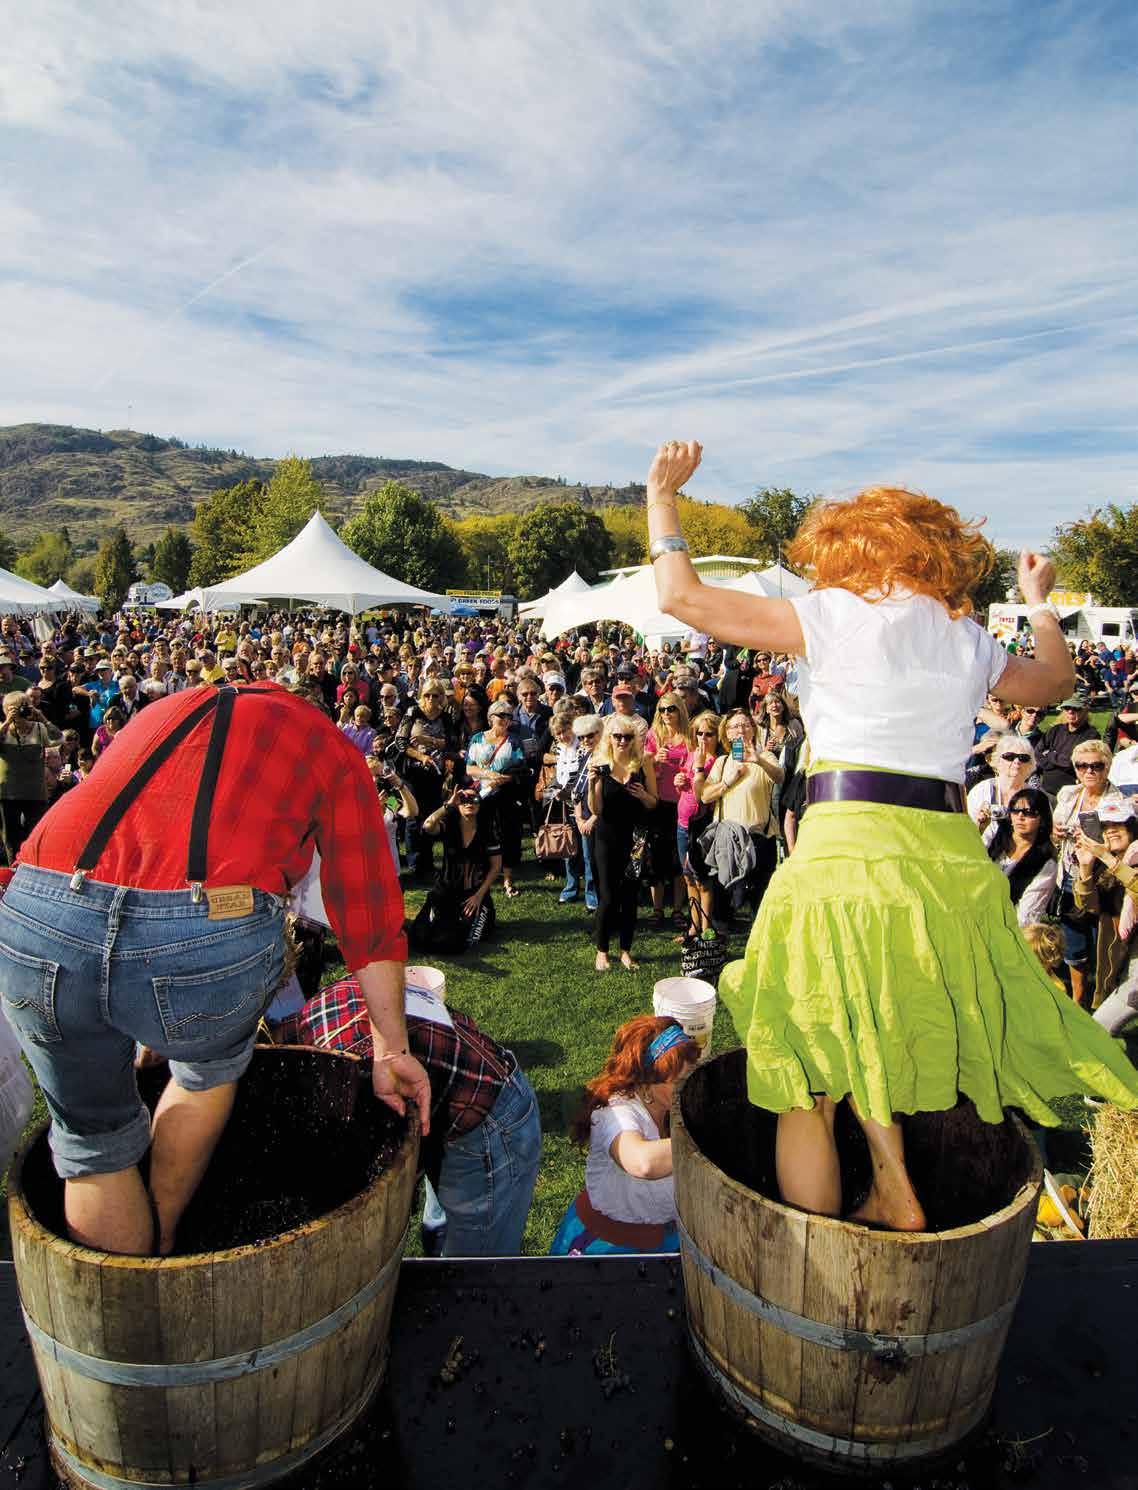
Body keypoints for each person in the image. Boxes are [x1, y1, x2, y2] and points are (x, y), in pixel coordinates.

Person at [645, 439, 1138, 1230]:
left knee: (806, 1072)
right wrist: (1038, 599)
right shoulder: (967, 637)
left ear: (849, 547)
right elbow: (1056, 680)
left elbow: (681, 597)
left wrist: (662, 497)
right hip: (951, 873)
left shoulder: (835, 613)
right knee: (882, 1032)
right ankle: (893, 1186)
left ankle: (824, 1260)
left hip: (846, 859)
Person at [0, 680, 430, 1256]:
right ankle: (165, 1241)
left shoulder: (161, 709)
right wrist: (391, 1048)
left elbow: (130, 853)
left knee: (90, 1143)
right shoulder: (326, 744)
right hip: (201, 920)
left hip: (35, 908)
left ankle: (122, 1289)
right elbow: (367, 907)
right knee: (202, 1075)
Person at [279, 975, 541, 1257]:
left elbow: (389, 1177)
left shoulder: (345, 1074)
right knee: (438, 1231)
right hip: (453, 1091)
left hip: (491, 1118)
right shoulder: (312, 1015)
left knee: (473, 1265)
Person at [550, 1016, 700, 1255]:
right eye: (679, 1080)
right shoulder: (614, 1112)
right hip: (610, 1246)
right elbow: (643, 1163)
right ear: (646, 1083)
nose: (691, 1084)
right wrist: (703, 1141)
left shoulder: (674, 1105)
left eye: (692, 1071)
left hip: (662, 1233)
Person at [694, 709, 784, 916]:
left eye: (745, 725)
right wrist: (728, 781)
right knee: (722, 905)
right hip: (727, 841)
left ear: (753, 729)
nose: (741, 730)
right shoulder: (722, 762)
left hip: (758, 838)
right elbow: (705, 796)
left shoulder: (765, 756)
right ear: (727, 733)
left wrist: (758, 760)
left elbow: (779, 777)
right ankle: (720, 933)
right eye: (735, 726)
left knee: (760, 904)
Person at [1053, 739, 1120, 1006]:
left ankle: (1105, 999)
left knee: (1102, 941)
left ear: (1108, 767)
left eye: (1096, 766)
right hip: (1069, 875)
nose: (1089, 771)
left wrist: (1097, 845)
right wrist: (1056, 833)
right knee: (1074, 942)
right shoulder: (1068, 794)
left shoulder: (1117, 802)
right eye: (1082, 766)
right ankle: (1078, 998)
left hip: (1102, 882)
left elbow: (1121, 845)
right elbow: (1056, 832)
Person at [588, 716, 657, 972]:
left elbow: (654, 803)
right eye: (617, 736)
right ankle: (602, 950)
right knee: (607, 897)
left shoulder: (642, 762)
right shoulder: (600, 763)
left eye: (628, 737)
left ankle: (625, 950)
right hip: (606, 837)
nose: (622, 741)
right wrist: (592, 783)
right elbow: (595, 809)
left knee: (629, 896)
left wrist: (643, 795)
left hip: (635, 839)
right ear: (609, 738)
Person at [1073, 798, 1138, 1036]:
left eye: (1118, 824)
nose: (1110, 830)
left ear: (1131, 827)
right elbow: (1087, 907)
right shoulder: (1105, 865)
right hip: (1121, 958)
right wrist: (1086, 867)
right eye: (1105, 826)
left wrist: (1108, 858)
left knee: (1099, 1029)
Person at [410, 785, 501, 952]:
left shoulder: (487, 831)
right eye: (464, 799)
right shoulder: (449, 827)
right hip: (446, 891)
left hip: (473, 894)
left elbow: (496, 866)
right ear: (458, 804)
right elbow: (427, 826)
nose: (469, 803)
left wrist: (479, 896)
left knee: (462, 940)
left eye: (474, 799)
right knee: (420, 935)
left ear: (480, 804)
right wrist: (448, 805)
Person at [466, 697, 526, 897]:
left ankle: (508, 880)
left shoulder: (514, 741)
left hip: (505, 794)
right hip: (481, 794)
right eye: (501, 715)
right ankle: (482, 875)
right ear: (491, 717)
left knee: (507, 834)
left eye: (509, 716)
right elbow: (469, 767)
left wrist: (501, 779)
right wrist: (488, 775)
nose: (506, 719)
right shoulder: (477, 738)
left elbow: (519, 768)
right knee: (481, 832)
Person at [644, 692, 691, 929]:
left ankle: (678, 909)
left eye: (670, 708)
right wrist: (654, 760)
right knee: (657, 856)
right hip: (659, 802)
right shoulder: (653, 735)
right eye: (662, 710)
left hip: (683, 802)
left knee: (679, 858)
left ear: (680, 709)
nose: (666, 714)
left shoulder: (690, 735)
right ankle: (657, 908)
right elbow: (643, 766)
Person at [0, 692, 62, 863]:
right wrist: (7, 722)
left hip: (35, 792)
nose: (21, 712)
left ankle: (34, 866)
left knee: (36, 833)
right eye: (15, 708)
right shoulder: (3, 729)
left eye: (24, 707)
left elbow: (59, 738)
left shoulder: (39, 728)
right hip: (8, 793)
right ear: (6, 710)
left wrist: (42, 718)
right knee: (11, 836)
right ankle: (13, 869)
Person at [983, 787, 1057, 928]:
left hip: (1006, 927)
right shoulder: (994, 833)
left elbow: (1026, 916)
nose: (1020, 817)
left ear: (1042, 819)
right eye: (1015, 811)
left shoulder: (1046, 863)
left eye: (1029, 812)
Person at [967, 739, 1038, 828]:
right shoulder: (981, 791)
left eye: (1023, 758)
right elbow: (966, 828)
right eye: (1009, 756)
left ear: (1030, 765)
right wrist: (979, 824)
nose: (1017, 761)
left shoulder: (1036, 797)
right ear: (998, 762)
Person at [1037, 696, 1100, 797]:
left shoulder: (1091, 735)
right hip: (1045, 789)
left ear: (1085, 710)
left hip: (1071, 793)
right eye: (1067, 708)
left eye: (1076, 708)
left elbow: (1073, 762)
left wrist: (1050, 755)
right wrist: (1051, 764)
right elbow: (1038, 752)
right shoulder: (1055, 730)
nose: (1070, 711)